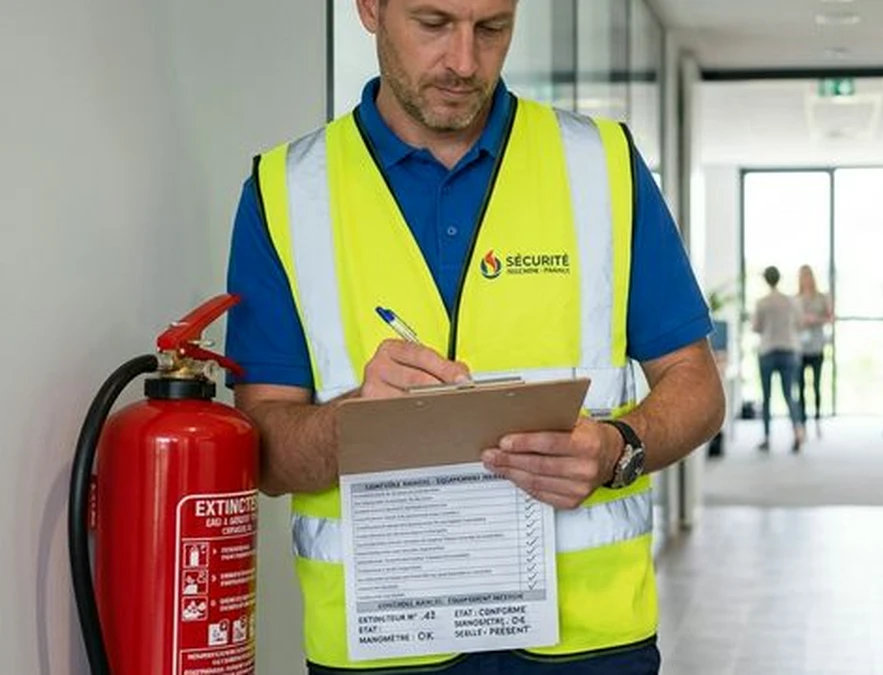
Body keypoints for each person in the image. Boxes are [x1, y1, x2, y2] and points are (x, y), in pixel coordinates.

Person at [221, 1, 724, 673]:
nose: (464, 61)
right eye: (433, 24)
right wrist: (353, 425)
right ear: (370, 8)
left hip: (587, 648)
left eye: (492, 28)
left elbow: (696, 383)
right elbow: (263, 452)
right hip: (384, 652)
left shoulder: (601, 165)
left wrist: (617, 446)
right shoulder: (284, 193)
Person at [751, 266, 804, 452]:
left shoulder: (762, 302)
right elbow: (799, 323)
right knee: (790, 395)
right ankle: (798, 432)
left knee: (766, 397)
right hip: (789, 350)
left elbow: (756, 327)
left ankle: (766, 438)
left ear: (766, 280)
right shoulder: (791, 301)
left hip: (768, 350)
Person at [796, 265, 834, 438]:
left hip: (817, 347)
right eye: (803, 277)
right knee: (801, 387)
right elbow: (791, 322)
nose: (806, 280)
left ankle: (817, 419)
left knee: (816, 386)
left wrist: (815, 319)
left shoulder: (822, 297)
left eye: (808, 276)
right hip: (800, 349)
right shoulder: (795, 299)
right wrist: (801, 321)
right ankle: (803, 422)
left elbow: (831, 318)